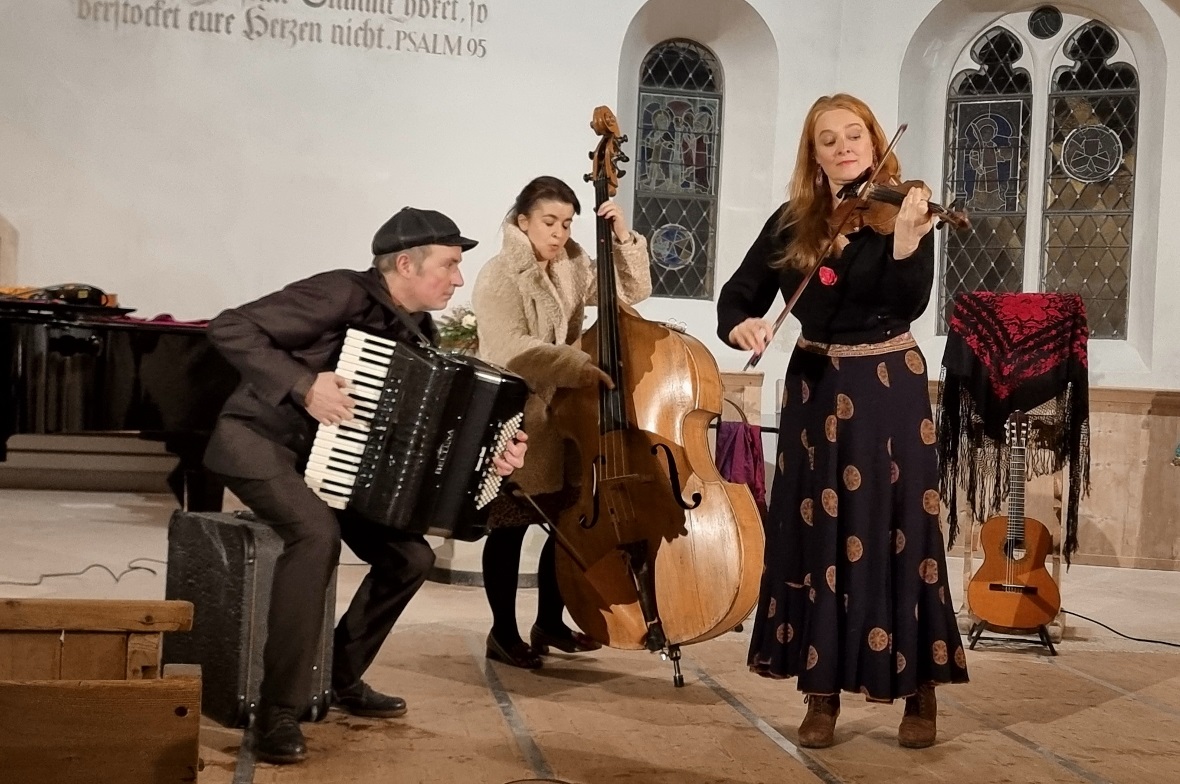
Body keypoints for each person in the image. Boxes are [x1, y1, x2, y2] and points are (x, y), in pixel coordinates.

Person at [202, 207, 528, 764]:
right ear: (405, 263)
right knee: (314, 535)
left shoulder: (418, 332)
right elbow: (229, 326)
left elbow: (426, 434)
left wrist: (491, 456)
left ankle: (336, 675)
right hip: (259, 442)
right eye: (449, 265)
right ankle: (276, 711)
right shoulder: (339, 294)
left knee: (411, 557)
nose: (457, 279)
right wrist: (305, 387)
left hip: (332, 469)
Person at [716, 94, 969, 750]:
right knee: (817, 532)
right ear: (814, 153)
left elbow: (907, 299)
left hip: (887, 386)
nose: (842, 147)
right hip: (814, 389)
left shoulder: (901, 209)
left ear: (873, 139)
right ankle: (820, 691)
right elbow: (741, 293)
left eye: (853, 134)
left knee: (898, 528)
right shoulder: (794, 220)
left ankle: (920, 692)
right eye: (827, 139)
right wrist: (739, 321)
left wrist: (910, 241)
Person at [472, 176, 652, 668]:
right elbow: (506, 348)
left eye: (568, 223)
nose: (559, 232)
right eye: (549, 222)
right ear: (523, 220)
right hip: (516, 414)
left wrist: (622, 239)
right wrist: (575, 365)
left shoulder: (572, 263)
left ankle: (550, 621)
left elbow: (631, 291)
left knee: (563, 526)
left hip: (565, 416)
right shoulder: (499, 274)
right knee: (508, 528)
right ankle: (502, 632)